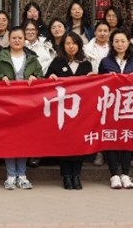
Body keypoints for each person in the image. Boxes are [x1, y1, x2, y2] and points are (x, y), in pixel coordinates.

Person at [0, 26, 41, 190]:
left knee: (24, 139)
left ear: (25, 40)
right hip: (6, 106)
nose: (17, 41)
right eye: (14, 38)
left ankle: (22, 175)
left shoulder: (32, 59)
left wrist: (35, 78)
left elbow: (41, 77)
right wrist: (1, 77)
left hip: (27, 106)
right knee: (9, 140)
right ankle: (11, 175)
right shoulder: (0, 58)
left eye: (20, 38)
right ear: (9, 40)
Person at [45, 32, 92, 190]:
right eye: (68, 43)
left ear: (79, 45)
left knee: (79, 144)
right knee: (64, 144)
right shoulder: (57, 62)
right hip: (62, 111)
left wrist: (94, 78)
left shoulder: (86, 64)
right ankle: (66, 176)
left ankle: (76, 175)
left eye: (74, 43)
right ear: (63, 46)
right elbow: (46, 81)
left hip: (81, 112)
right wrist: (50, 77)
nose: (71, 46)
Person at [97, 29, 133, 189]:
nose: (120, 44)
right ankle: (114, 174)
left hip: (130, 106)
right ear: (112, 43)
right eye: (116, 41)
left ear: (128, 43)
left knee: (127, 138)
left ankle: (126, 174)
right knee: (111, 139)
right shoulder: (105, 62)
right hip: (110, 106)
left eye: (123, 41)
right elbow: (99, 83)